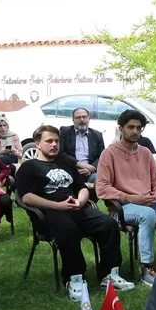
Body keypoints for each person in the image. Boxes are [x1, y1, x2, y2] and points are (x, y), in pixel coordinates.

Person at [15, 126, 132, 300]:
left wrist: (80, 201)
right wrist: (57, 205)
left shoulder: (65, 163)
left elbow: (82, 188)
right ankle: (75, 278)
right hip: (49, 213)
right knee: (68, 230)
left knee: (109, 224)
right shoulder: (29, 167)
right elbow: (26, 198)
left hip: (76, 208)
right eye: (49, 141)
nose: (54, 144)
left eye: (56, 141)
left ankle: (109, 273)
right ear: (38, 144)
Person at [96, 110, 156, 287]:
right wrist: (131, 197)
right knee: (147, 214)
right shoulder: (109, 154)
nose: (135, 131)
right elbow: (102, 189)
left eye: (139, 128)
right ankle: (146, 269)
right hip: (124, 207)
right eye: (131, 127)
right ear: (121, 128)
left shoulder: (145, 153)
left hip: (152, 203)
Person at [59, 107, 104, 183]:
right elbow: (61, 153)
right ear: (73, 120)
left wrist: (90, 169)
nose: (82, 120)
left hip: (90, 171)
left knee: (98, 179)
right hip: (70, 169)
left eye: (84, 117)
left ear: (89, 119)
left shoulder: (97, 135)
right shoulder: (65, 132)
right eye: (78, 117)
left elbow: (101, 156)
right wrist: (79, 164)